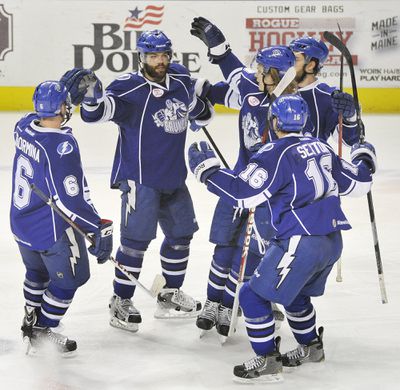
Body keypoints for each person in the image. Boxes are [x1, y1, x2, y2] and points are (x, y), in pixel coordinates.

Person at [188, 94, 376, 382]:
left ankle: (267, 360)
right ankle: (311, 347)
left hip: (300, 241)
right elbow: (360, 183)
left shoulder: (273, 152)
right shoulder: (321, 147)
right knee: (295, 294)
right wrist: (364, 156)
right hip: (332, 241)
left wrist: (208, 172)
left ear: (274, 121)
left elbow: (243, 193)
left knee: (251, 295)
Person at [60, 30, 212, 332]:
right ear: (141, 57)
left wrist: (198, 111)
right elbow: (99, 113)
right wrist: (92, 99)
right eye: (153, 56)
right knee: (134, 244)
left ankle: (169, 293)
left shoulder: (180, 80)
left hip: (174, 178)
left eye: (164, 55)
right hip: (139, 180)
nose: (159, 61)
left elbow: (202, 113)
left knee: (181, 236)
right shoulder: (129, 88)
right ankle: (121, 300)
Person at [10, 81, 114, 354]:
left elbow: (36, 116)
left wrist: (59, 94)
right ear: (62, 109)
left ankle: (30, 316)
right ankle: (42, 329)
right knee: (72, 278)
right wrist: (97, 227)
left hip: (21, 223)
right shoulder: (62, 145)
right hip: (50, 228)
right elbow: (70, 199)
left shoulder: (22, 128)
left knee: (36, 271)